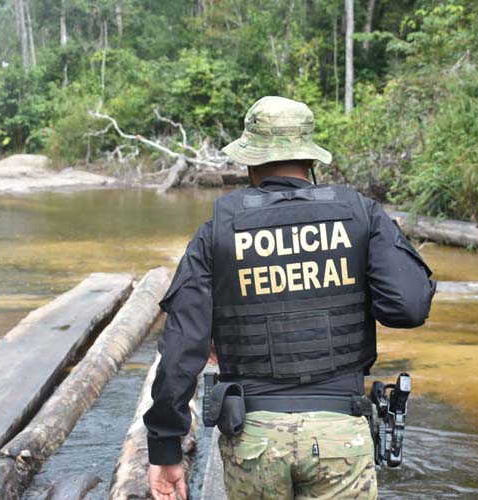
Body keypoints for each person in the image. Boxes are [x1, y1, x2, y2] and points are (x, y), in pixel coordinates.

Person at [143, 96, 435, 500]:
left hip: (254, 439)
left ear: (250, 161)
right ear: (310, 159)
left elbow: (180, 349)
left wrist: (165, 446)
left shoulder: (217, 231)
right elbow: (409, 306)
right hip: (339, 436)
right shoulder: (360, 214)